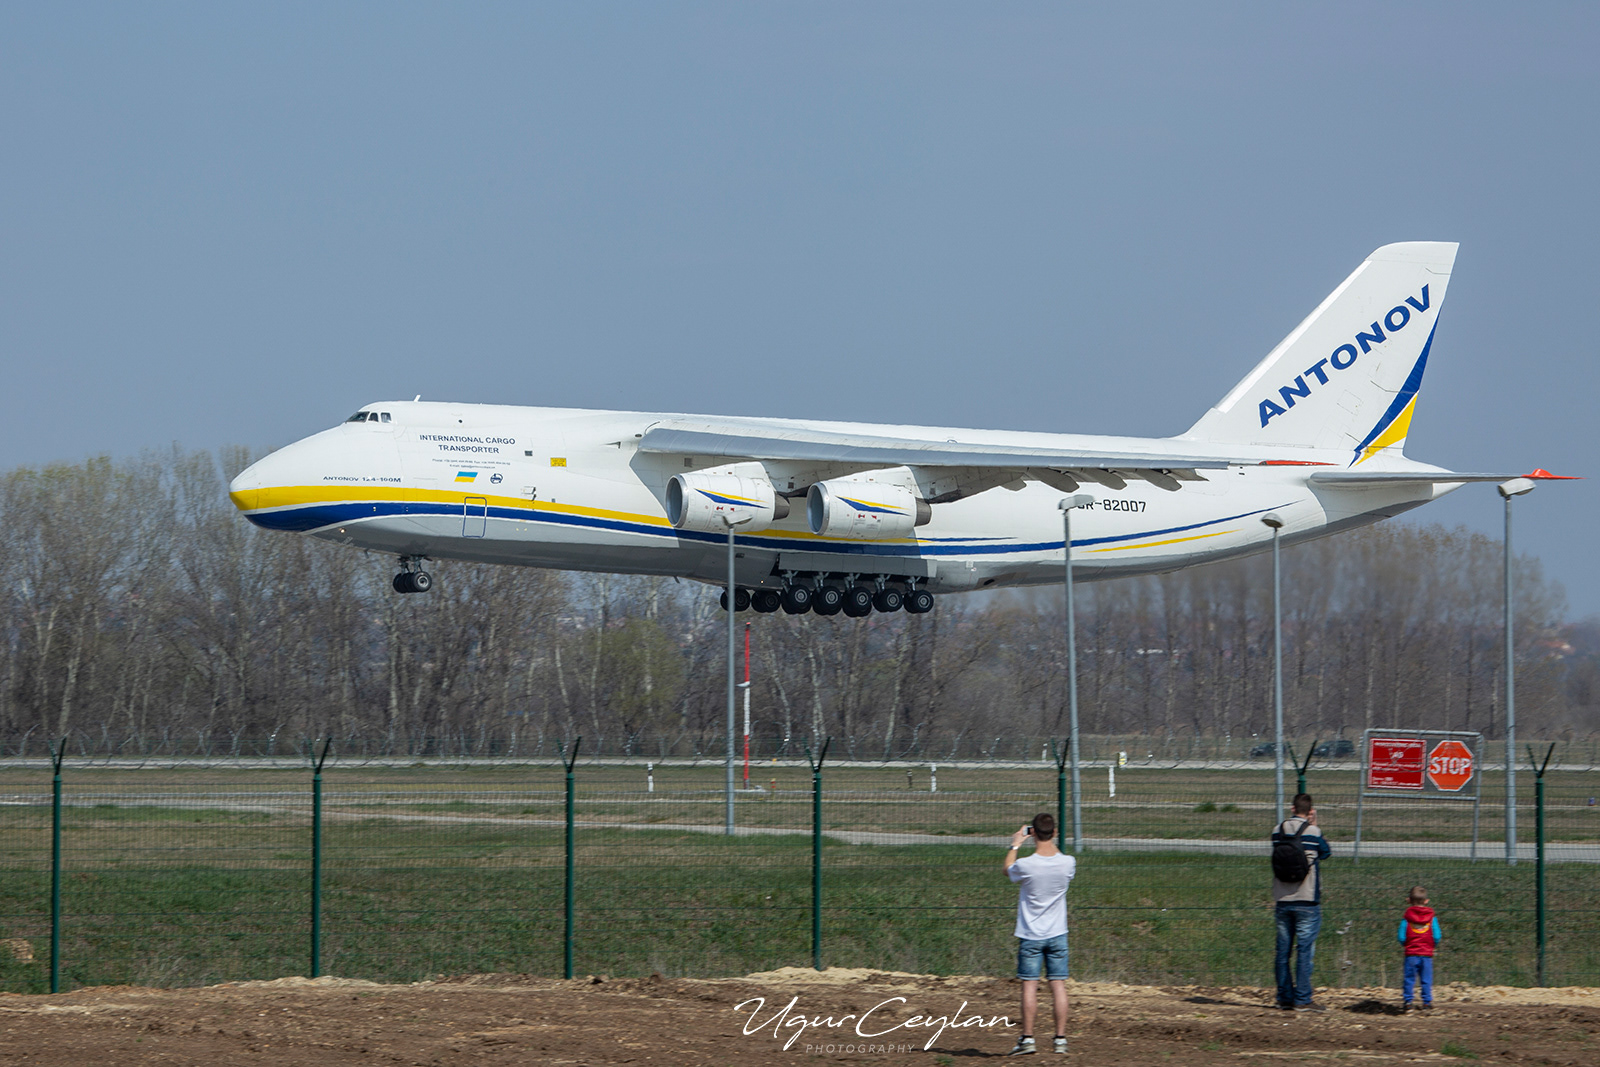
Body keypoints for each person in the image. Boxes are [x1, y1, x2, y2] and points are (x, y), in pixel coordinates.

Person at [1004, 812, 1076, 1055]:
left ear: (1032, 833)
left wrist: (1015, 844)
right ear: (1055, 833)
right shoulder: (1069, 863)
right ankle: (1060, 1039)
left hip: (1031, 934)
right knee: (1058, 985)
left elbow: (1007, 870)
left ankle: (1027, 1039)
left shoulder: (1025, 865)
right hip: (1058, 933)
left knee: (1029, 986)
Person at [1272, 793, 1331, 1011]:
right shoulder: (1313, 832)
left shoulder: (1276, 831)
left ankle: (1284, 996)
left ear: (1292, 808)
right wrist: (1313, 824)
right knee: (1304, 951)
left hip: (1282, 897)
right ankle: (1303, 999)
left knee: (1283, 951)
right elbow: (1325, 853)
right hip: (1307, 898)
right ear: (1310, 810)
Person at [1398, 885, 1442, 1010]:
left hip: (1411, 954)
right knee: (1426, 979)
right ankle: (1427, 1002)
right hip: (1426, 954)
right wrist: (1432, 945)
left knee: (1409, 978)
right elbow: (1437, 935)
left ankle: (1408, 1002)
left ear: (1409, 901)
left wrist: (1406, 945)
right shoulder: (1431, 918)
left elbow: (1401, 936)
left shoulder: (1406, 918)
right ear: (1426, 901)